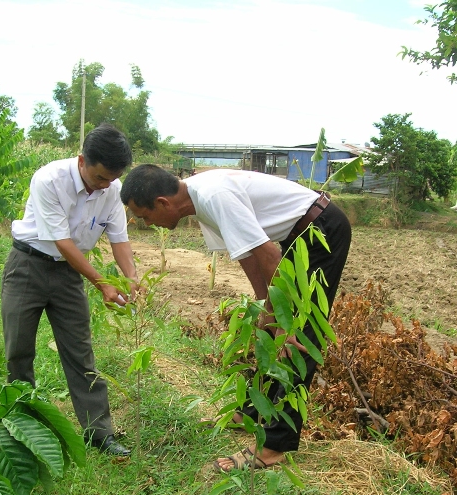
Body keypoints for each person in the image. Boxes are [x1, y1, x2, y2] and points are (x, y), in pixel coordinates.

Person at [120, 165, 351, 471]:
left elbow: (269, 256)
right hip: (297, 237)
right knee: (269, 329)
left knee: (300, 339)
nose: (148, 224)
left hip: (321, 232)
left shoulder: (214, 196)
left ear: (163, 203)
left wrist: (284, 322)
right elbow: (248, 255)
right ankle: (252, 412)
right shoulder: (199, 201)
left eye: (146, 217)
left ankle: (274, 447)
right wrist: (265, 309)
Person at [1, 124, 137, 457]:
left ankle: (99, 432)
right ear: (82, 161)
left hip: (69, 276)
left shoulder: (112, 189)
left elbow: (119, 238)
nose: (104, 186)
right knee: (18, 350)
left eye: (111, 180)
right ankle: (22, 426)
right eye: (99, 178)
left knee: (80, 353)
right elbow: (61, 242)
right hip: (27, 267)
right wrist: (102, 283)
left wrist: (131, 277)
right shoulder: (49, 180)